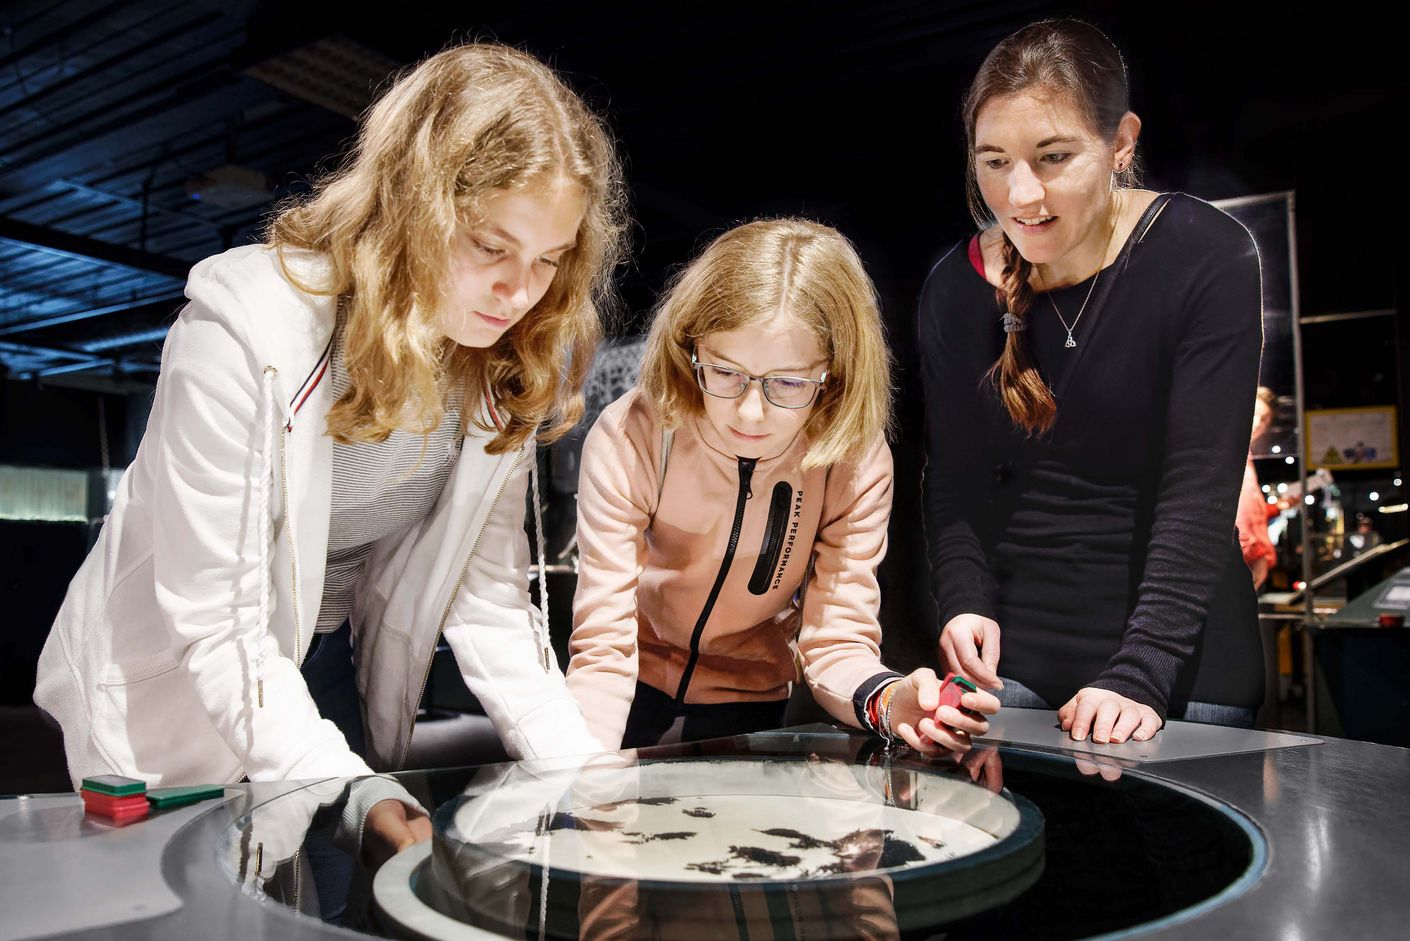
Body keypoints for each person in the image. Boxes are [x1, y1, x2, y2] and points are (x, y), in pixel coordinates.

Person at [34, 43, 627, 855]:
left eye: (549, 261)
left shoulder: (499, 363)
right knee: (195, 901)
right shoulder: (244, 324)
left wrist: (584, 774)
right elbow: (217, 621)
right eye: (491, 246)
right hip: (181, 675)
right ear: (413, 205)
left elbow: (486, 599)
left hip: (328, 656)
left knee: (337, 894)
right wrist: (346, 789)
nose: (520, 292)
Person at [918, 19, 1264, 746]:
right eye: (993, 161)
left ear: (1122, 141)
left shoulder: (1206, 255)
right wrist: (963, 599)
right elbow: (952, 478)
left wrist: (1139, 671)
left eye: (1053, 157)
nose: (1020, 195)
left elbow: (1200, 487)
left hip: (1181, 667)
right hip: (1017, 662)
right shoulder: (955, 287)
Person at [567, 218, 998, 755]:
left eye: (789, 383)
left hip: (749, 691)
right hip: (627, 678)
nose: (751, 413)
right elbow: (602, 647)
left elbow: (837, 640)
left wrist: (890, 703)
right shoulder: (634, 432)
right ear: (689, 348)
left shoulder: (855, 461)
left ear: (835, 374)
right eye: (724, 373)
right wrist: (582, 778)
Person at [1236, 387, 1278, 588]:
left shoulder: (1244, 454)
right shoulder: (1234, 454)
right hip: (1238, 558)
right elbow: (1242, 515)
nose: (1258, 424)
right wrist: (1258, 553)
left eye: (1265, 419)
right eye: (1254, 415)